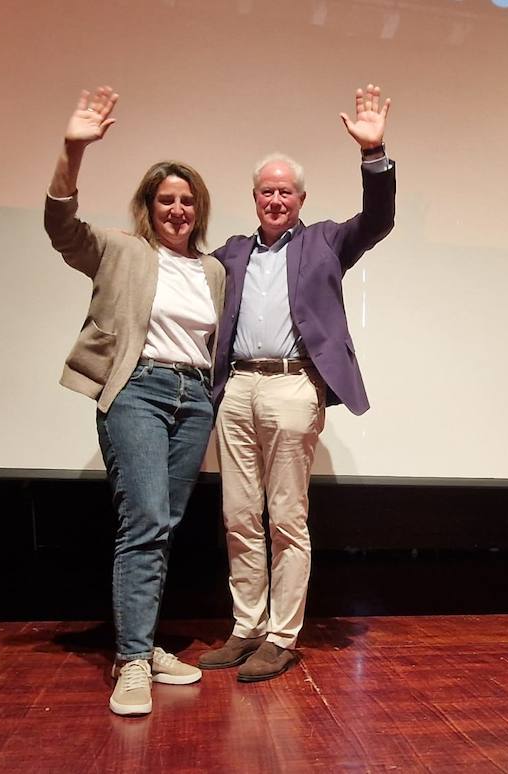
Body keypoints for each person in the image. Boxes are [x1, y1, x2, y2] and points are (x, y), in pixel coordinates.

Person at [198, 85, 396, 682]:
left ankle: (281, 636)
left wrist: (375, 152)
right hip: (236, 389)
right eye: (267, 190)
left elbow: (379, 219)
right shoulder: (230, 252)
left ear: (301, 198)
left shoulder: (326, 240)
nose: (276, 198)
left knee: (286, 517)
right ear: (254, 198)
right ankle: (246, 628)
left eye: (286, 190)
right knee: (238, 514)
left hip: (292, 388)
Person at [44, 86, 225, 716]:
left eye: (187, 201)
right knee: (144, 520)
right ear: (149, 205)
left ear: (197, 211)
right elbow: (60, 227)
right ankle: (130, 660)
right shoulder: (120, 248)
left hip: (194, 399)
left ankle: (144, 647)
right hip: (139, 392)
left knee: (164, 527)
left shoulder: (212, 272)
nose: (177, 209)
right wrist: (74, 150)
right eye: (166, 199)